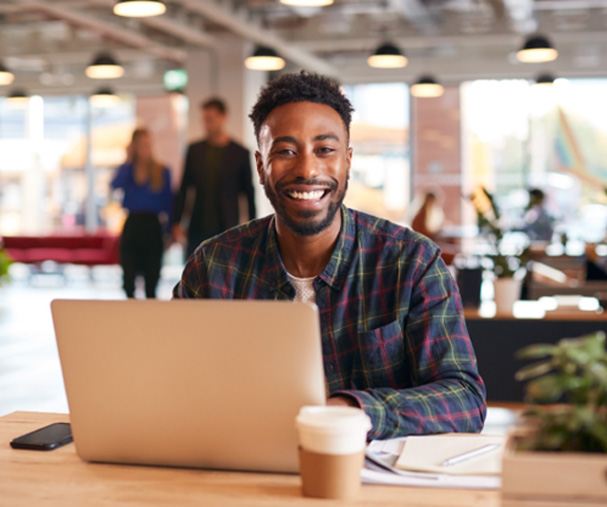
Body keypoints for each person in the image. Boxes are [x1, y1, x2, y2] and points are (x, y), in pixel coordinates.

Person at [173, 72, 486, 440]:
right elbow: (172, 383)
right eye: (286, 151)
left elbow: (464, 399)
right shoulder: (213, 267)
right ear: (261, 167)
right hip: (244, 476)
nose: (307, 170)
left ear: (348, 161)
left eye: (325, 150)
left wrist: (352, 410)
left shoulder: (413, 263)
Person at [173, 97, 256, 258]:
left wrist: (253, 228)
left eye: (210, 119)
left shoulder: (240, 153)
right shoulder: (194, 150)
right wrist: (177, 222)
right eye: (204, 119)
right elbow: (184, 188)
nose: (207, 123)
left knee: (226, 274)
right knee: (195, 273)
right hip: (198, 224)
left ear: (223, 117)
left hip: (228, 226)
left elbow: (248, 194)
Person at [111, 128, 172, 299]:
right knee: (128, 280)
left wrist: (168, 232)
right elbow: (115, 184)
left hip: (152, 227)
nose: (144, 148)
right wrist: (129, 160)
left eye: (146, 144)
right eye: (139, 145)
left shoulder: (162, 171)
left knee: (151, 281)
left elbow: (169, 204)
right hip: (132, 225)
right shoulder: (129, 170)